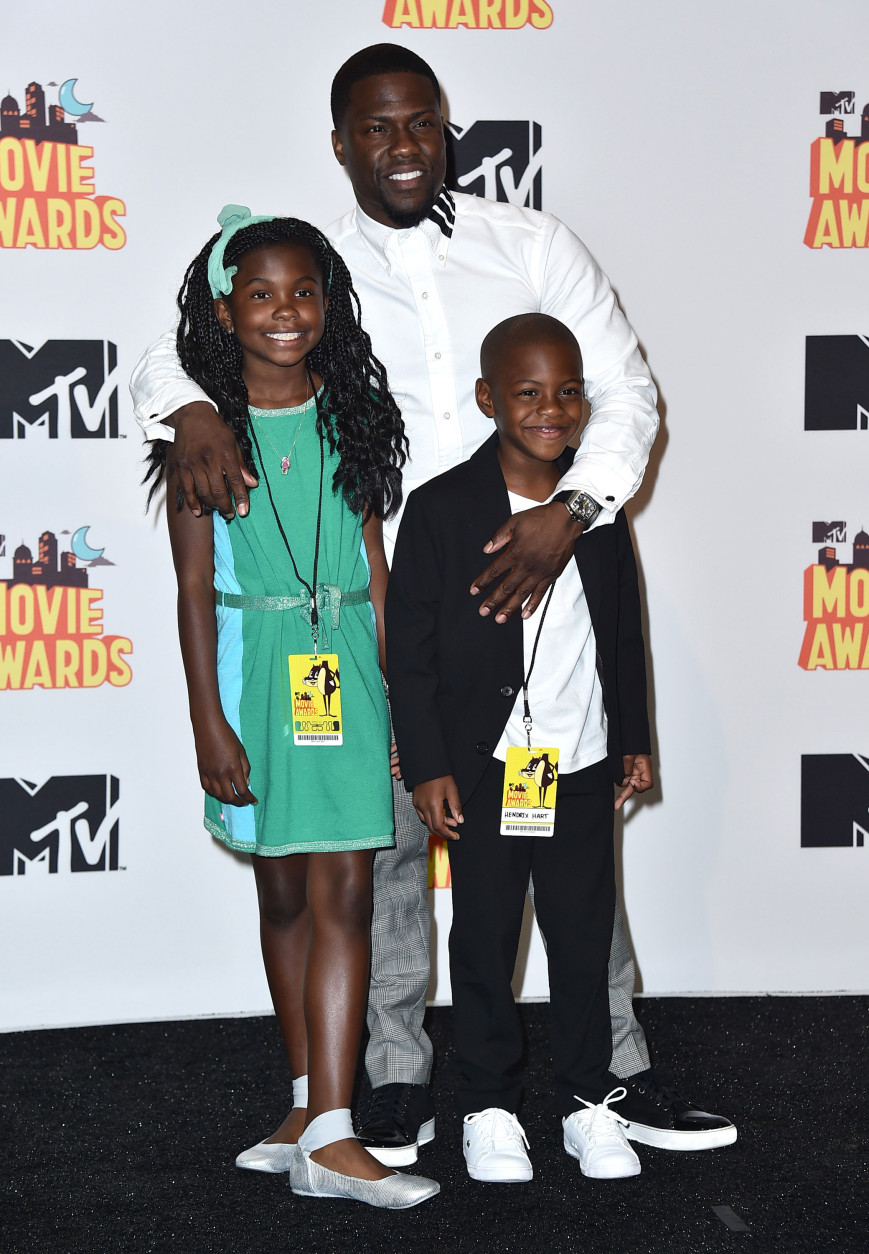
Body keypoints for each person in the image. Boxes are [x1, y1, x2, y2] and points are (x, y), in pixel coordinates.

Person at [131, 44, 735, 1160]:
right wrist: (186, 411)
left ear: (446, 128)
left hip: (546, 578)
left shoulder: (531, 242)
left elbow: (626, 387)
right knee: (397, 839)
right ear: (338, 143)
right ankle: (398, 1080)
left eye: (420, 124)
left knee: (567, 844)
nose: (401, 147)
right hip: (395, 597)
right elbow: (187, 337)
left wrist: (577, 510)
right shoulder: (320, 273)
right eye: (374, 128)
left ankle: (607, 1073)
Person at [147, 205, 438, 1208]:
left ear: (328, 302)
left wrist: (403, 703)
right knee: (281, 897)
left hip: (348, 668)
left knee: (345, 892)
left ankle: (335, 1132)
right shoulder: (200, 438)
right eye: (260, 295)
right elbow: (191, 592)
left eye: (302, 292)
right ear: (224, 312)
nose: (284, 313)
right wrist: (207, 723)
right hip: (255, 675)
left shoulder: (352, 413)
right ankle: (306, 1098)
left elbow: (373, 564)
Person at [386, 313, 654, 1181]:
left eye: (569, 391)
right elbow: (412, 648)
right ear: (486, 399)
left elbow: (621, 629)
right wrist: (426, 761)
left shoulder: (596, 507)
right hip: (483, 765)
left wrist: (633, 739)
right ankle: (489, 1105)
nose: (552, 409)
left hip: (576, 760)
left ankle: (588, 1102)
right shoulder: (439, 509)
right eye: (529, 392)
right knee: (485, 939)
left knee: (582, 935)